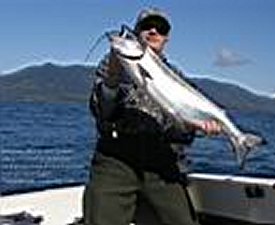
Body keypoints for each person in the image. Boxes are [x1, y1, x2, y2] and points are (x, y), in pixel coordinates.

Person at [83, 8, 221, 225]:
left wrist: (196, 126)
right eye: (146, 26)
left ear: (167, 38)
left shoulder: (178, 78)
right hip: (116, 159)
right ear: (137, 33)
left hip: (163, 160)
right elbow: (102, 111)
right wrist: (112, 78)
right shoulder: (111, 65)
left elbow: (179, 130)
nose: (153, 31)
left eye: (160, 28)